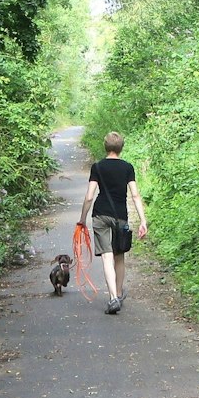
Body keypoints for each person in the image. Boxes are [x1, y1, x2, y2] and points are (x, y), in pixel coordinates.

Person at [77, 130, 148, 314]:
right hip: (120, 216)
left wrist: (82, 219)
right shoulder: (128, 167)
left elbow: (89, 196)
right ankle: (118, 292)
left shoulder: (97, 167)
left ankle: (113, 298)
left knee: (107, 257)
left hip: (100, 215)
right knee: (119, 256)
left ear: (105, 146)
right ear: (121, 148)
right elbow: (135, 195)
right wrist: (142, 220)